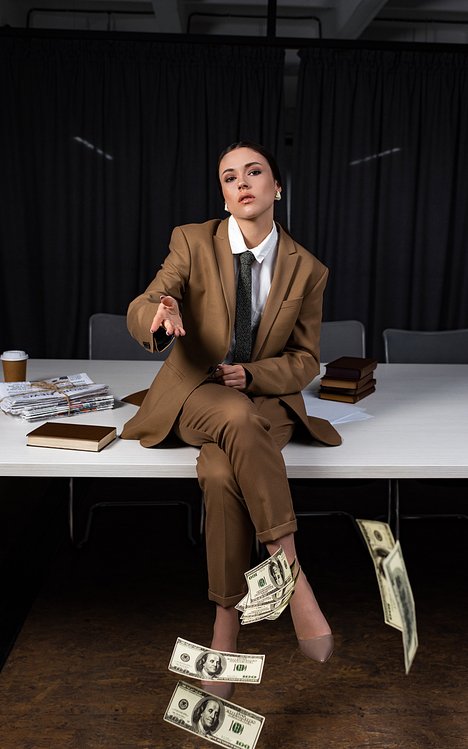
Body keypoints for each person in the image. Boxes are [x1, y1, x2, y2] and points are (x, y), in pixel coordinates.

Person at [121, 141, 341, 700]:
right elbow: (144, 302)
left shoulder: (307, 270)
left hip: (262, 403)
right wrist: (159, 315)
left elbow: (305, 360)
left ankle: (225, 631)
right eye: (228, 177)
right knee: (234, 420)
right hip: (197, 392)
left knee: (220, 473)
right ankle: (295, 583)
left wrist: (255, 375)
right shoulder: (193, 241)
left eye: (254, 172)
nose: (241, 183)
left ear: (276, 188)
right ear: (223, 193)